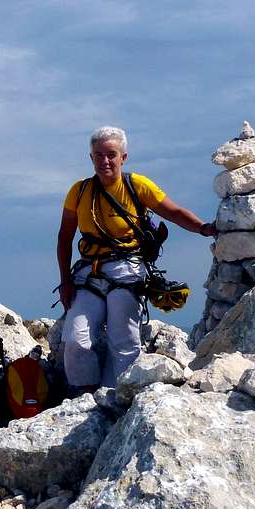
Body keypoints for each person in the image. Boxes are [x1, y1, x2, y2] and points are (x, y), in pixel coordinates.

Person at [57, 126, 216, 392]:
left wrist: (203, 228)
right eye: (99, 155)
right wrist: (65, 281)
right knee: (76, 340)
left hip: (127, 270)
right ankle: (85, 398)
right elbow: (64, 237)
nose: (105, 161)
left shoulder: (137, 186)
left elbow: (173, 212)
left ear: (123, 157)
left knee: (124, 342)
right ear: (91, 158)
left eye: (111, 154)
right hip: (89, 273)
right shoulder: (79, 191)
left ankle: (118, 397)